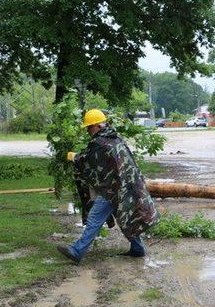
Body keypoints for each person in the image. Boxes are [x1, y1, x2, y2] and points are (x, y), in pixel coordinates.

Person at [57, 109, 159, 264]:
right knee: (125, 215)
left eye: (89, 127)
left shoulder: (99, 143)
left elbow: (89, 161)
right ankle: (138, 249)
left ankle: (77, 251)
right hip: (127, 185)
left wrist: (75, 157)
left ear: (98, 126)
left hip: (112, 189)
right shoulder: (115, 137)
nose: (88, 131)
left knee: (94, 218)